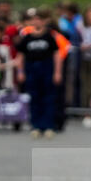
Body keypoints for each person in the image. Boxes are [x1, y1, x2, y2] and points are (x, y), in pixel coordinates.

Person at [15, 8, 63, 138]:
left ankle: (48, 126)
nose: (36, 22)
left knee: (48, 98)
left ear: (43, 21)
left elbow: (57, 54)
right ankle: (36, 125)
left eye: (39, 19)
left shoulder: (49, 37)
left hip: (46, 69)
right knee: (34, 98)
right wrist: (20, 71)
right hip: (32, 69)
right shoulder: (27, 38)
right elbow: (20, 56)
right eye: (34, 20)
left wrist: (57, 72)